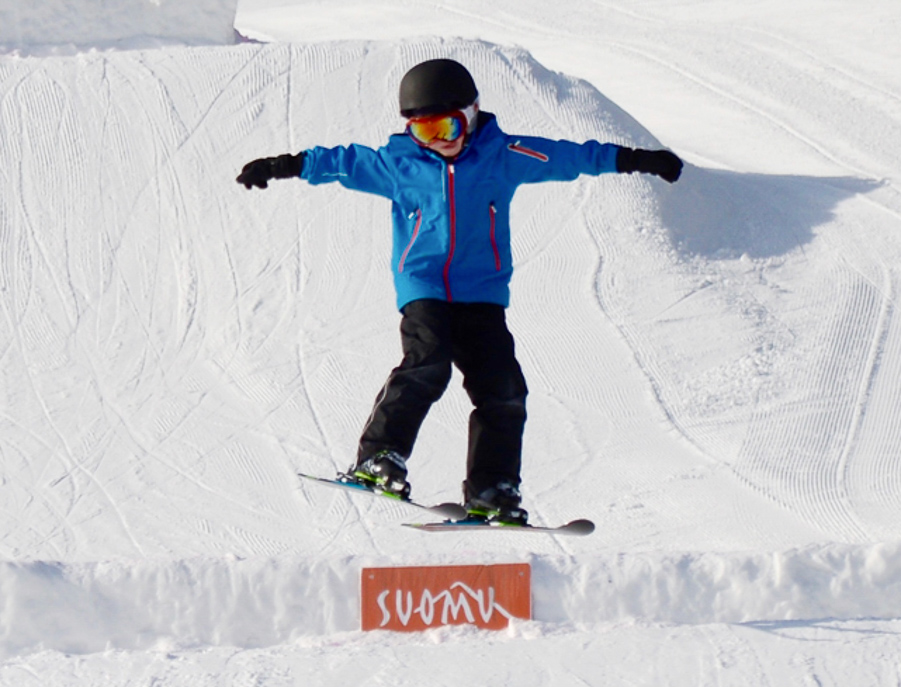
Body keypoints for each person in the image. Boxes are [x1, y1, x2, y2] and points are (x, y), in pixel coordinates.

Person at [237, 58, 683, 524]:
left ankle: (493, 488)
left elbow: (569, 157)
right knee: (427, 365)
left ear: (471, 114)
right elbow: (340, 162)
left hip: (482, 293)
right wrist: (281, 165)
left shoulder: (503, 155)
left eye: (448, 125)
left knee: (503, 389)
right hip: (424, 283)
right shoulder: (398, 164)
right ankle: (379, 458)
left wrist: (634, 160)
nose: (440, 139)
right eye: (426, 131)